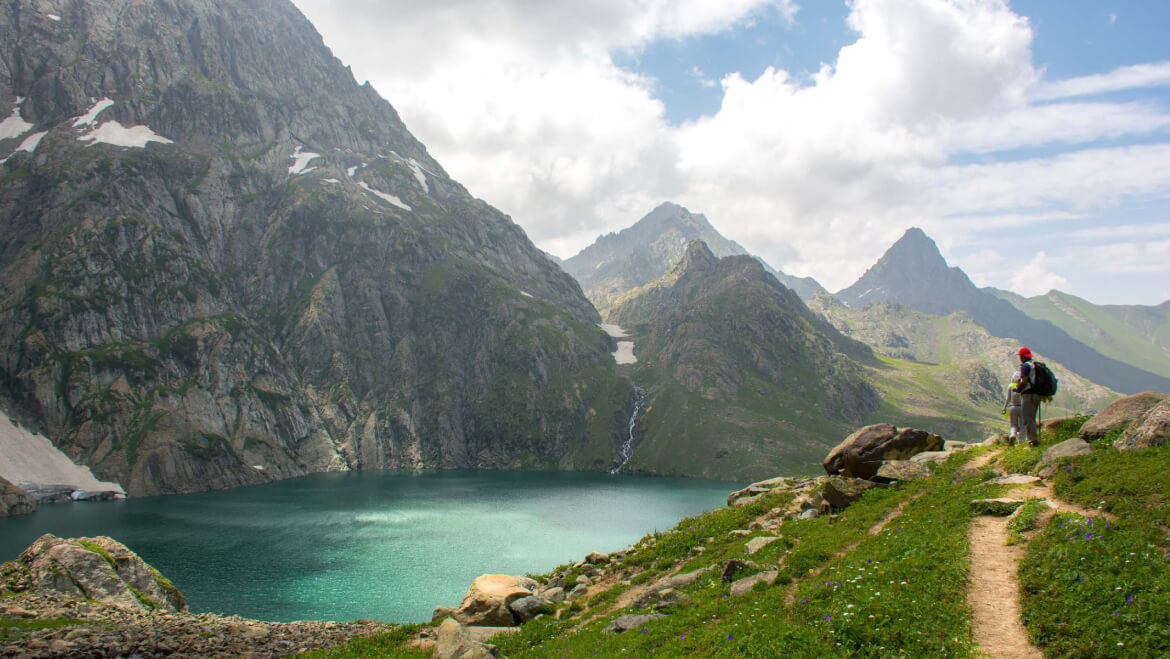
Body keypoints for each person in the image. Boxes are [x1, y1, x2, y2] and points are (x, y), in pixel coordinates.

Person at [1017, 347, 1040, 447]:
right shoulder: (1034, 365)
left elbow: (1024, 381)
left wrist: (1018, 388)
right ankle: (1033, 440)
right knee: (1032, 418)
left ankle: (1032, 442)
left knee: (1027, 419)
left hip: (1028, 394)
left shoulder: (1025, 366)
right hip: (1037, 395)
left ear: (1022, 356)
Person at [1002, 373, 1022, 444]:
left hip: (1012, 407)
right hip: (1021, 407)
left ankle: (1013, 435)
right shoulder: (1021, 386)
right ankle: (1021, 441)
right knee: (1021, 424)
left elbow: (1008, 398)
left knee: (1013, 424)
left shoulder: (1010, 386)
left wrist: (1004, 408)